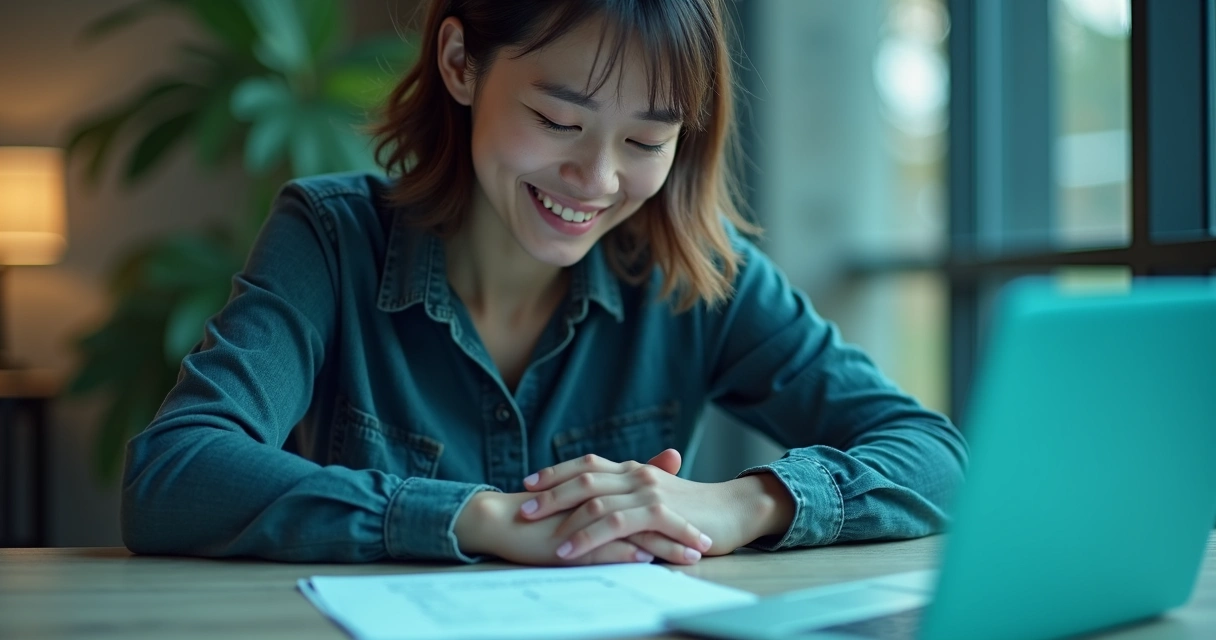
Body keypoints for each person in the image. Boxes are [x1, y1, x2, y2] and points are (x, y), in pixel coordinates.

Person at [121, 0, 968, 567]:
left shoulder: (699, 275)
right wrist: (485, 519)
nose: (594, 178)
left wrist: (741, 506)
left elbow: (939, 459)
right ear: (460, 62)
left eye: (644, 143)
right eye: (558, 121)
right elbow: (174, 475)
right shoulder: (331, 239)